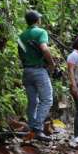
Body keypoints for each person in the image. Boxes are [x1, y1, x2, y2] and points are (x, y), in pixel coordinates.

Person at [18, 10, 55, 141]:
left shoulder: (21, 36)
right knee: (47, 99)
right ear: (37, 20)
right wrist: (51, 64)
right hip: (39, 71)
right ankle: (37, 128)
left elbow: (21, 55)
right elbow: (44, 48)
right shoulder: (40, 32)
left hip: (27, 71)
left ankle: (32, 126)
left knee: (33, 101)